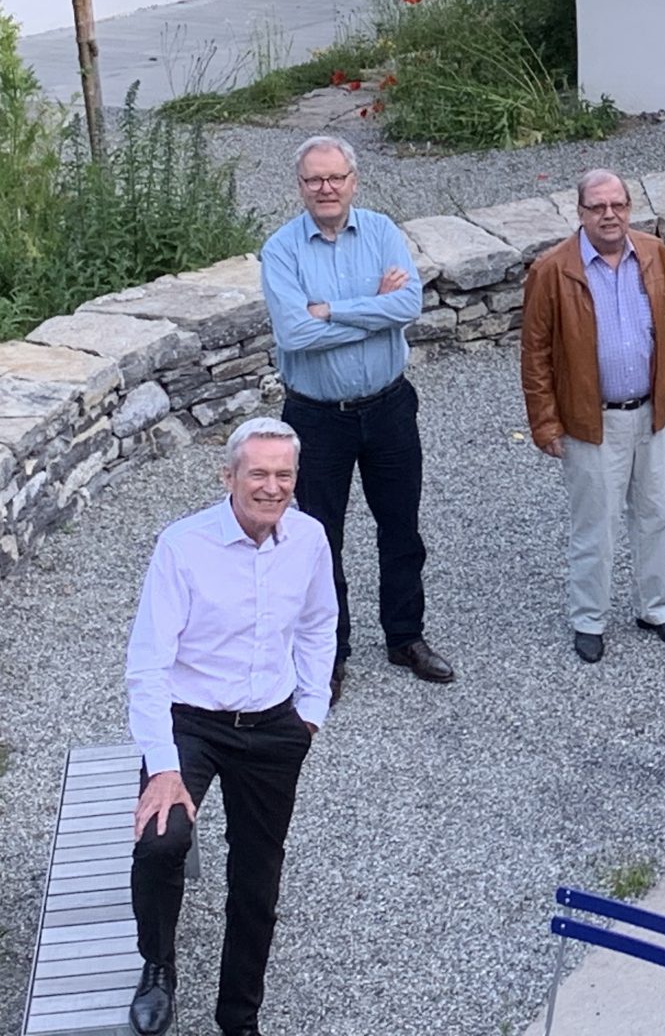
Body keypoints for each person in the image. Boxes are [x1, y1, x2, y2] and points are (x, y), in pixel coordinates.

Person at [124, 418, 336, 1036]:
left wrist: (310, 713)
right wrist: (164, 767)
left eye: (283, 475)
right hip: (191, 722)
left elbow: (319, 623)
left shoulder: (309, 538)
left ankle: (239, 1017)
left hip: (273, 726)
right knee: (161, 840)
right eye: (258, 473)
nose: (272, 487)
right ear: (229, 477)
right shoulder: (182, 546)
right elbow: (148, 664)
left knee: (257, 875)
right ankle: (157, 966)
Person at [260, 135, 455, 700]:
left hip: (389, 406)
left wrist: (331, 310)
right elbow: (294, 333)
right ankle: (331, 652)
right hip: (316, 417)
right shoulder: (281, 250)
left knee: (401, 528)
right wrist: (375, 309)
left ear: (353, 181)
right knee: (321, 538)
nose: (326, 188)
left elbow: (408, 304)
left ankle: (406, 637)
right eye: (314, 179)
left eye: (335, 177)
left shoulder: (382, 231)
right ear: (300, 186)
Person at [521, 169, 665, 662]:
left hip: (652, 413)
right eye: (597, 207)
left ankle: (655, 608)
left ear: (629, 207)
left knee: (655, 516)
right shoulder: (552, 270)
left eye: (617, 205)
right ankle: (589, 619)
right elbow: (535, 354)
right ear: (580, 213)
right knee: (596, 526)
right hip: (591, 420)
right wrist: (545, 422)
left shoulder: (653, 254)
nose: (609, 215)